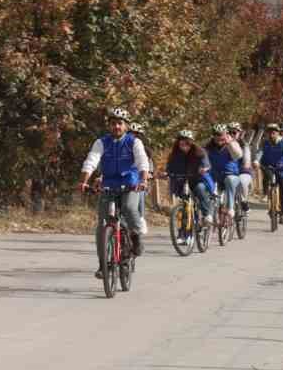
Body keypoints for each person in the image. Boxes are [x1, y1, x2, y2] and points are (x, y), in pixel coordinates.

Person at [78, 108, 152, 268]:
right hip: (109, 184)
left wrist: (143, 179)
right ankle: (103, 264)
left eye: (120, 123)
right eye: (113, 124)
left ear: (126, 126)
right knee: (102, 225)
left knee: (129, 207)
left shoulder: (134, 142)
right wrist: (84, 181)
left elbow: (142, 161)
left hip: (130, 182)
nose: (116, 127)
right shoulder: (101, 142)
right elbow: (91, 161)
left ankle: (136, 236)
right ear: (109, 126)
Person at [165, 130, 215, 245]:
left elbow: (206, 164)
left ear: (191, 143)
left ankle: (207, 215)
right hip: (183, 180)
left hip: (198, 179)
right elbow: (170, 167)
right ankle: (183, 234)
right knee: (184, 206)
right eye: (181, 143)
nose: (184, 146)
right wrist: (166, 173)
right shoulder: (175, 154)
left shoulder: (200, 152)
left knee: (200, 189)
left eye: (187, 143)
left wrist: (204, 169)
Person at [204, 124, 244, 223]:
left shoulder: (232, 143)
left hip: (231, 174)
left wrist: (229, 143)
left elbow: (238, 155)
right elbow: (201, 156)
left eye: (221, 134)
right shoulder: (208, 146)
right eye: (216, 135)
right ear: (213, 135)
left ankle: (231, 208)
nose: (219, 137)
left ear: (226, 134)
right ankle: (209, 214)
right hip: (215, 174)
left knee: (229, 180)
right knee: (210, 189)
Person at [259, 122, 283, 224]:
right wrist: (256, 161)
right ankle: (267, 196)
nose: (271, 135)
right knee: (268, 179)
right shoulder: (264, 143)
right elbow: (260, 152)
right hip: (268, 167)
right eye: (269, 132)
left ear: (278, 133)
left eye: (273, 132)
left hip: (281, 168)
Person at [228, 122, 254, 212]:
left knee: (242, 181)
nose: (231, 135)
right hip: (228, 172)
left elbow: (247, 160)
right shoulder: (224, 144)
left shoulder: (244, 145)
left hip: (242, 171)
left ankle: (244, 201)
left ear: (239, 133)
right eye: (229, 132)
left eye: (234, 132)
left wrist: (246, 164)